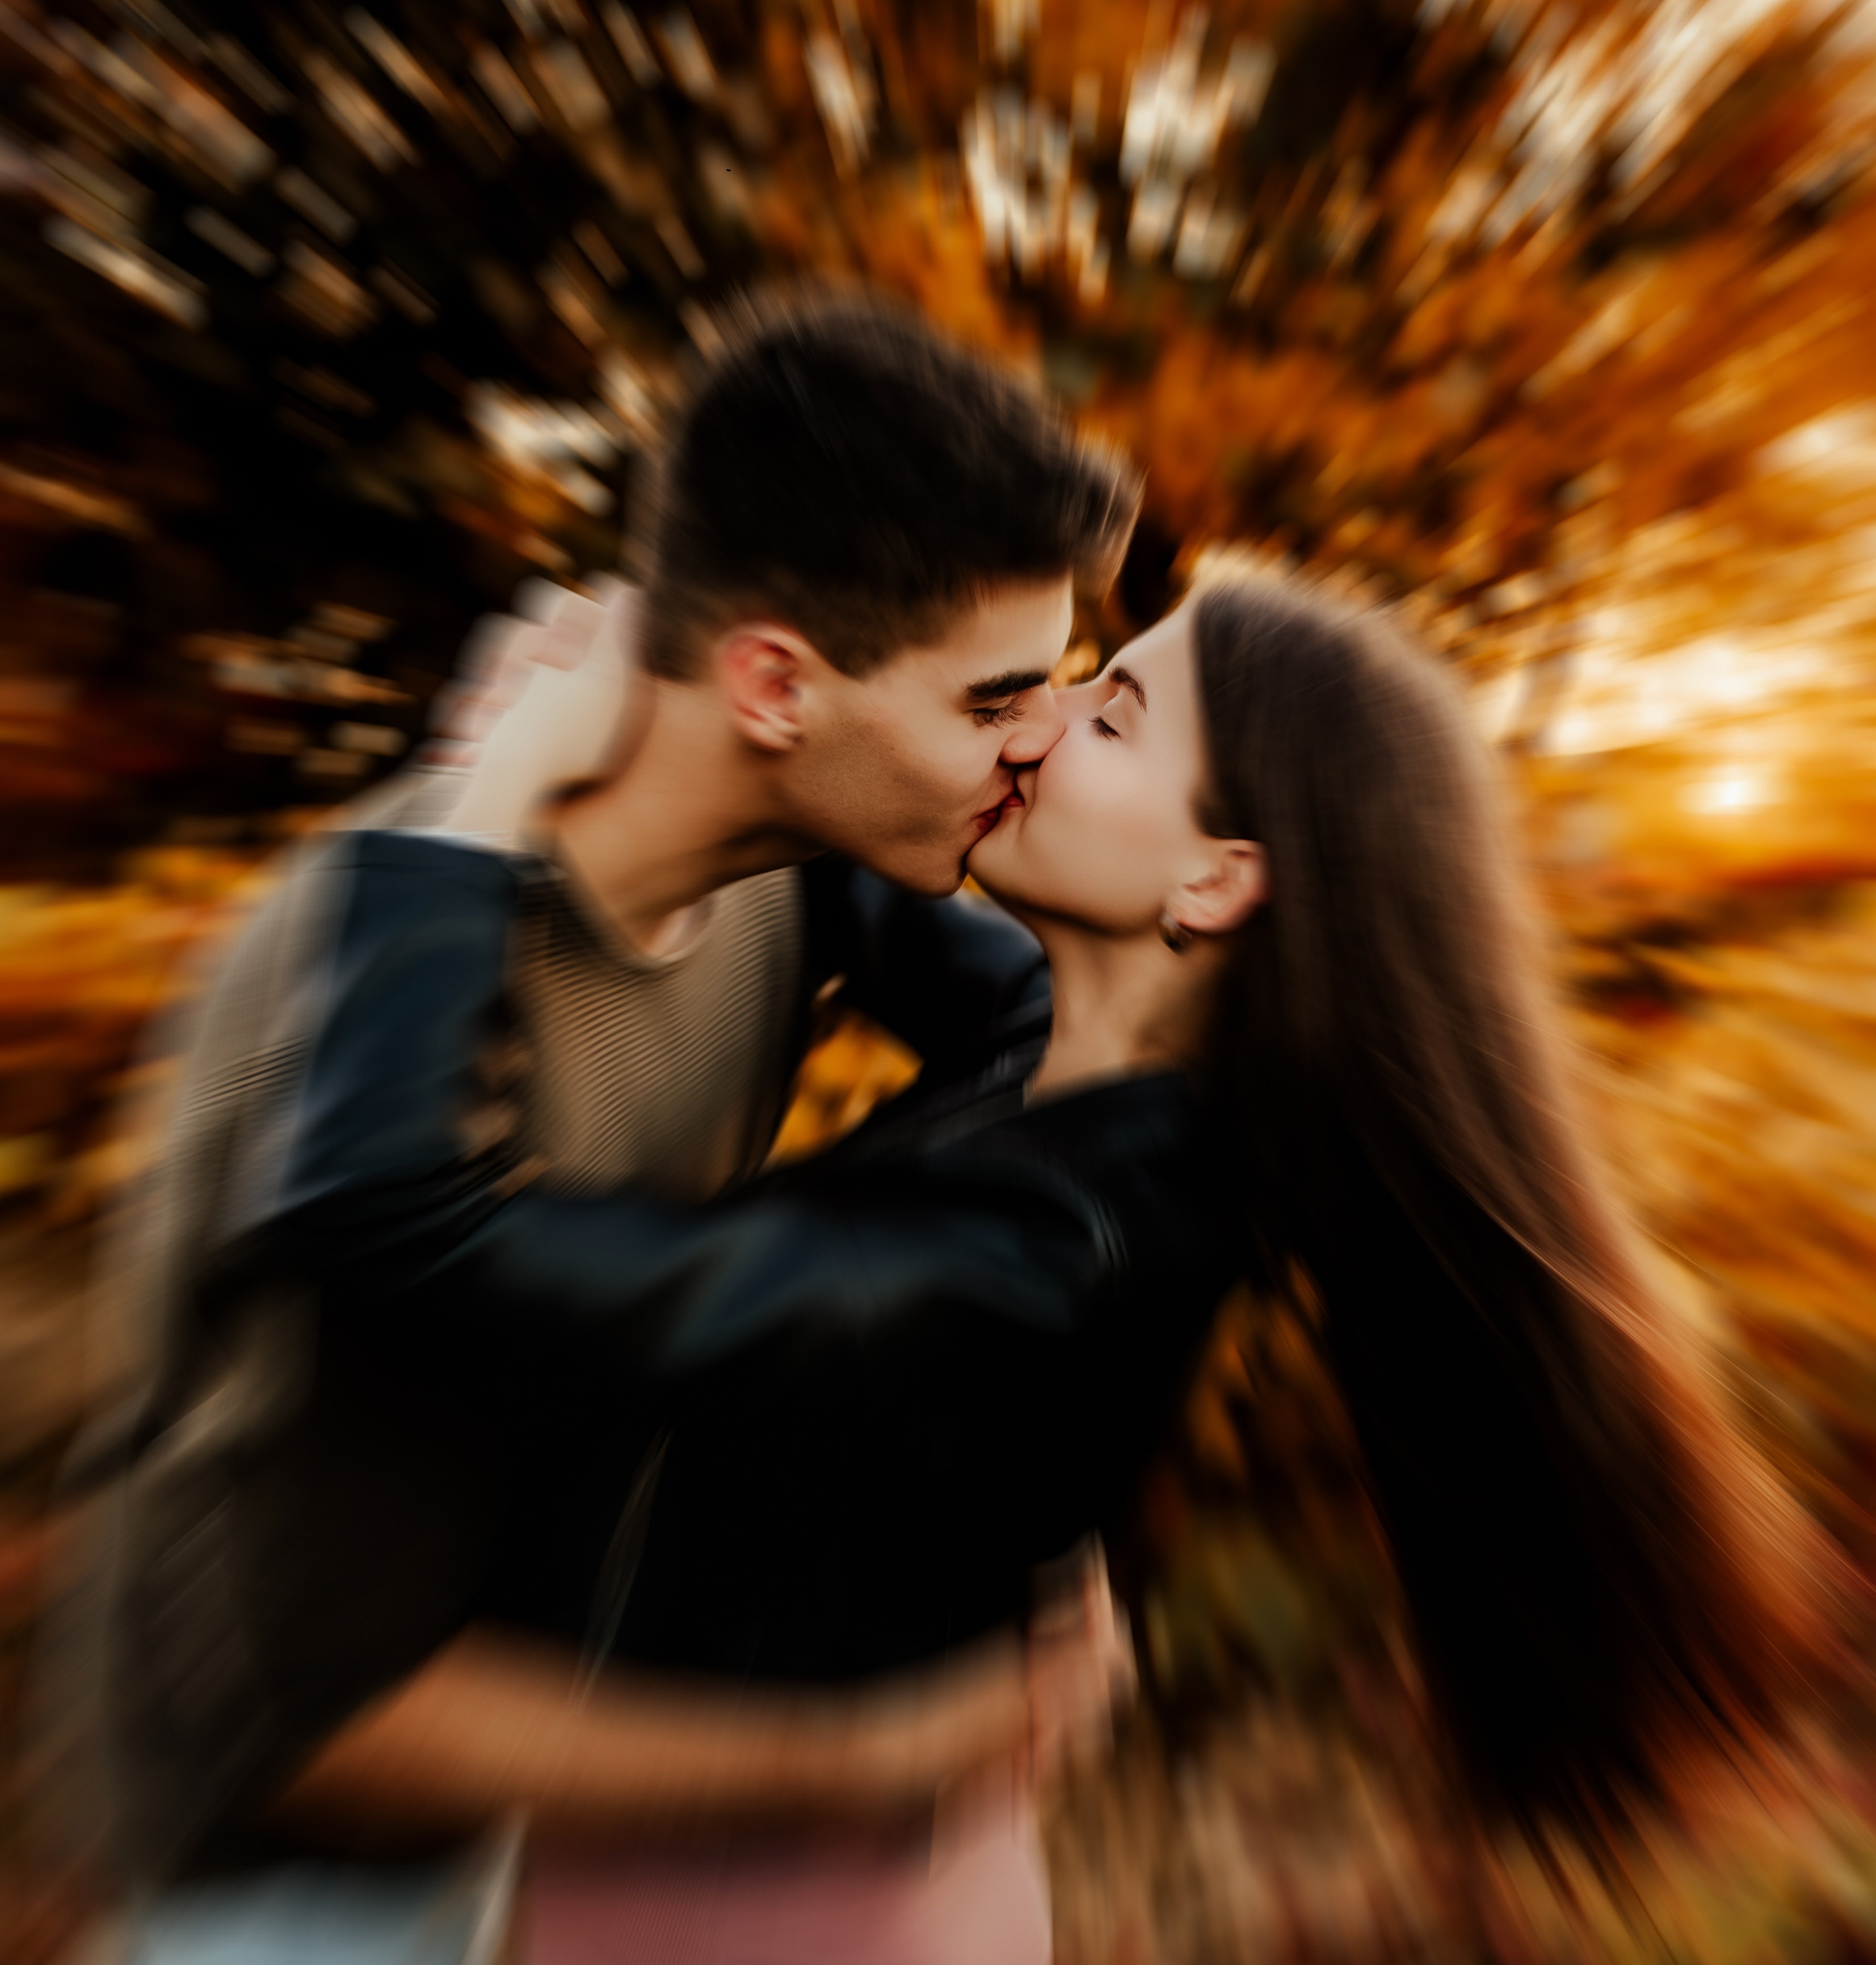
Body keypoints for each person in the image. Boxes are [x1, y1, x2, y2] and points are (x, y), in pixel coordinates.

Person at [249, 567, 1835, 1943]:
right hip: (727, 1863)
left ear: (1213, 882)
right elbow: (841, 835)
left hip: (772, 1921)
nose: (1044, 715)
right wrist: (713, 655)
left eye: (1116, 715)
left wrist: (475, 810)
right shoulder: (1063, 1045)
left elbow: (392, 1225)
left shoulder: (1043, 1263)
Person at [29, 292, 1141, 1949]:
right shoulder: (372, 1026)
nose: (1040, 739)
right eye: (993, 701)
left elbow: (1074, 1050)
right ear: (771, 683)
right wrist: (871, 1751)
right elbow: (321, 1723)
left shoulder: (800, 872)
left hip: (548, 1796)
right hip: (294, 1890)